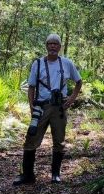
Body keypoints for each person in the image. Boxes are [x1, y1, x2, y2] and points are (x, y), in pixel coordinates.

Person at [13, 33, 83, 185]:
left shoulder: (66, 63)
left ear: (59, 47)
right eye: (50, 44)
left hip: (59, 108)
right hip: (41, 107)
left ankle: (55, 174)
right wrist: (32, 106)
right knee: (31, 139)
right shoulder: (37, 64)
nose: (52, 46)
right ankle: (28, 175)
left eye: (55, 44)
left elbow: (79, 82)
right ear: (46, 46)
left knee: (59, 140)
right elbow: (31, 87)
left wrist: (71, 100)